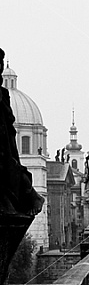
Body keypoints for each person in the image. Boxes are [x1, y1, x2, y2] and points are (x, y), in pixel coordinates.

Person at [0, 47, 44, 217]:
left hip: (6, 140)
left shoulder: (5, 95)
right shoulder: (20, 101)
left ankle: (31, 197)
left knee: (11, 166)